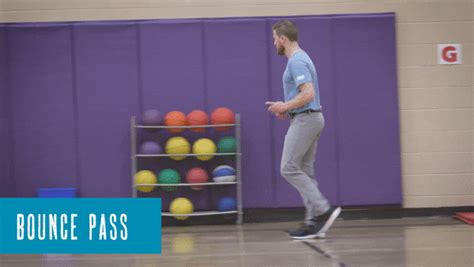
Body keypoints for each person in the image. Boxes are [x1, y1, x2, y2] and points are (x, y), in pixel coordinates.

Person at [266, 20, 341, 239]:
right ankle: (313, 223)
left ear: (283, 39)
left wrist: (285, 106)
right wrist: (287, 109)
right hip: (309, 118)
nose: (273, 44)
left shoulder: (296, 61)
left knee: (288, 167)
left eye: (274, 40)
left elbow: (308, 94)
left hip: (306, 120)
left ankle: (323, 210)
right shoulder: (302, 58)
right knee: (306, 171)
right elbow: (307, 96)